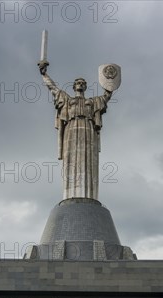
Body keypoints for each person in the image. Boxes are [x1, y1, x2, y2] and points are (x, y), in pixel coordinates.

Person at [38, 61, 113, 200]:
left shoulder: (92, 101)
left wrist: (110, 82)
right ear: (74, 86)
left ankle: (89, 195)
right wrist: (44, 75)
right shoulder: (67, 100)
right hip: (71, 129)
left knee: (88, 160)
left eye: (82, 83)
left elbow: (106, 96)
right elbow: (53, 88)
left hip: (88, 129)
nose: (80, 84)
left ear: (85, 87)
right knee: (71, 161)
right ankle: (70, 195)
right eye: (78, 82)